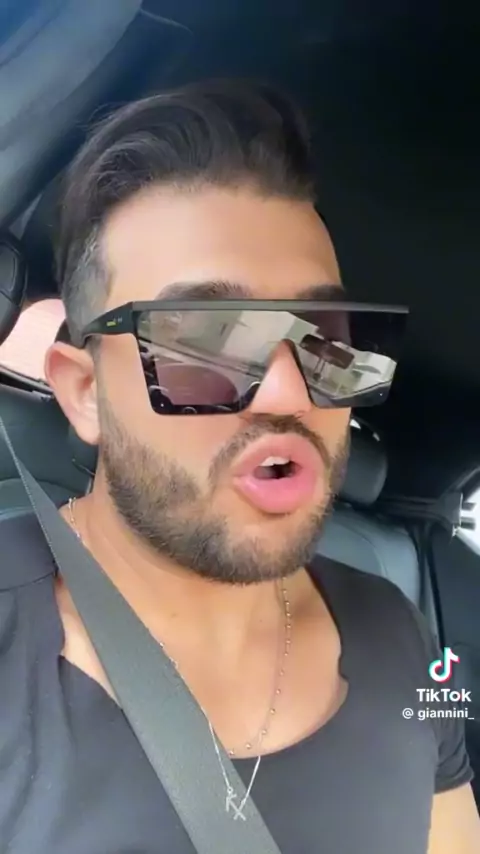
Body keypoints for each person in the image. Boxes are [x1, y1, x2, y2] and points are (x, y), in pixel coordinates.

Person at [0, 80, 478, 854]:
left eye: (325, 339)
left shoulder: (399, 631)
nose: (292, 393)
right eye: (202, 342)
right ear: (85, 392)